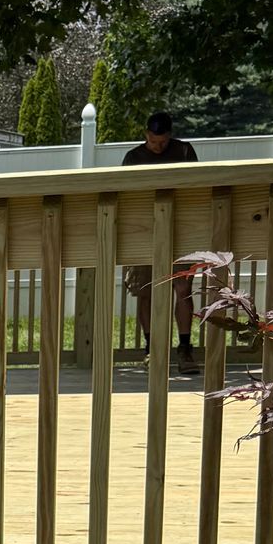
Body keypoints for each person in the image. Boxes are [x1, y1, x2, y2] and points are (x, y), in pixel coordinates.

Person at [122, 113, 198, 365]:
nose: (158, 147)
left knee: (183, 289)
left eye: (163, 142)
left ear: (170, 136)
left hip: (181, 229)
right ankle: (151, 348)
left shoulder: (184, 151)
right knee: (145, 291)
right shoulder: (134, 158)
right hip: (144, 229)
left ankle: (185, 347)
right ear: (146, 136)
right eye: (154, 142)